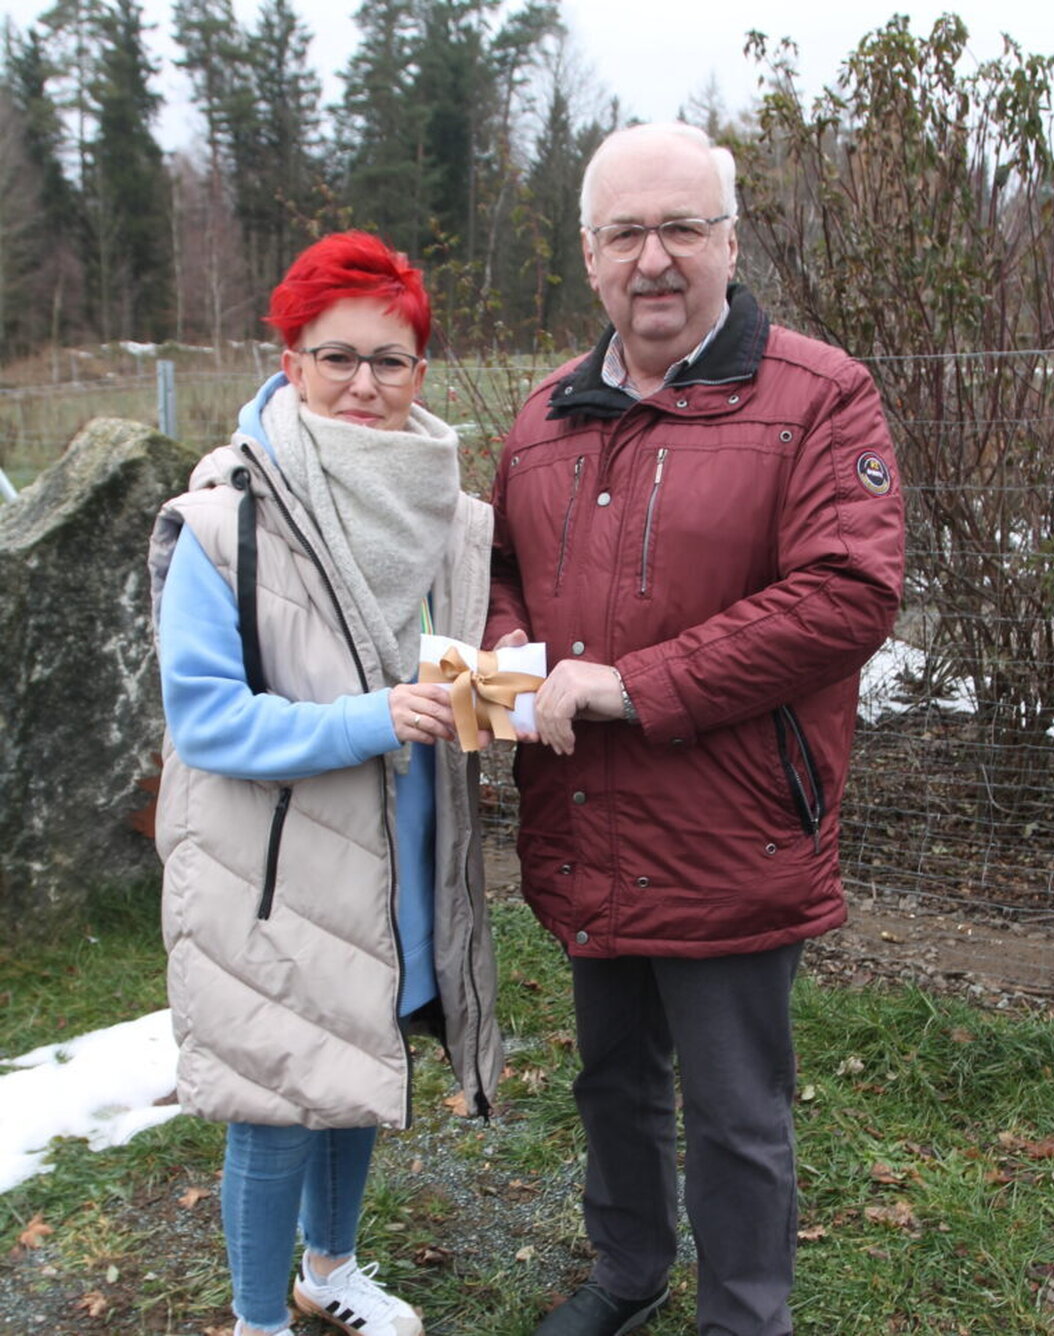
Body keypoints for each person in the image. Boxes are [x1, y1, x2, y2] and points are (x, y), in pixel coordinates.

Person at [486, 123, 905, 1336]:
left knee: (734, 1110)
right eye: (626, 233)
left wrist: (633, 683)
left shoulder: (819, 395)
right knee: (611, 1078)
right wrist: (510, 646)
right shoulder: (541, 418)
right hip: (584, 812)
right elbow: (503, 568)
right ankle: (627, 1272)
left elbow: (845, 595)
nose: (653, 258)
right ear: (589, 253)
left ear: (729, 240)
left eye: (681, 228)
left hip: (732, 824)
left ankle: (743, 1315)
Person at [148, 230, 502, 1336]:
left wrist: (500, 706)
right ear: (289, 361)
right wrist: (366, 717)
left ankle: (329, 1272)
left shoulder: (452, 515)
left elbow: (455, 674)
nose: (363, 383)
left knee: (357, 1060)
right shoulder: (221, 521)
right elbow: (203, 716)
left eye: (388, 360)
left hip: (402, 845)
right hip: (270, 865)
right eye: (335, 355)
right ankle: (259, 1321)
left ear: (420, 375)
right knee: (270, 1101)